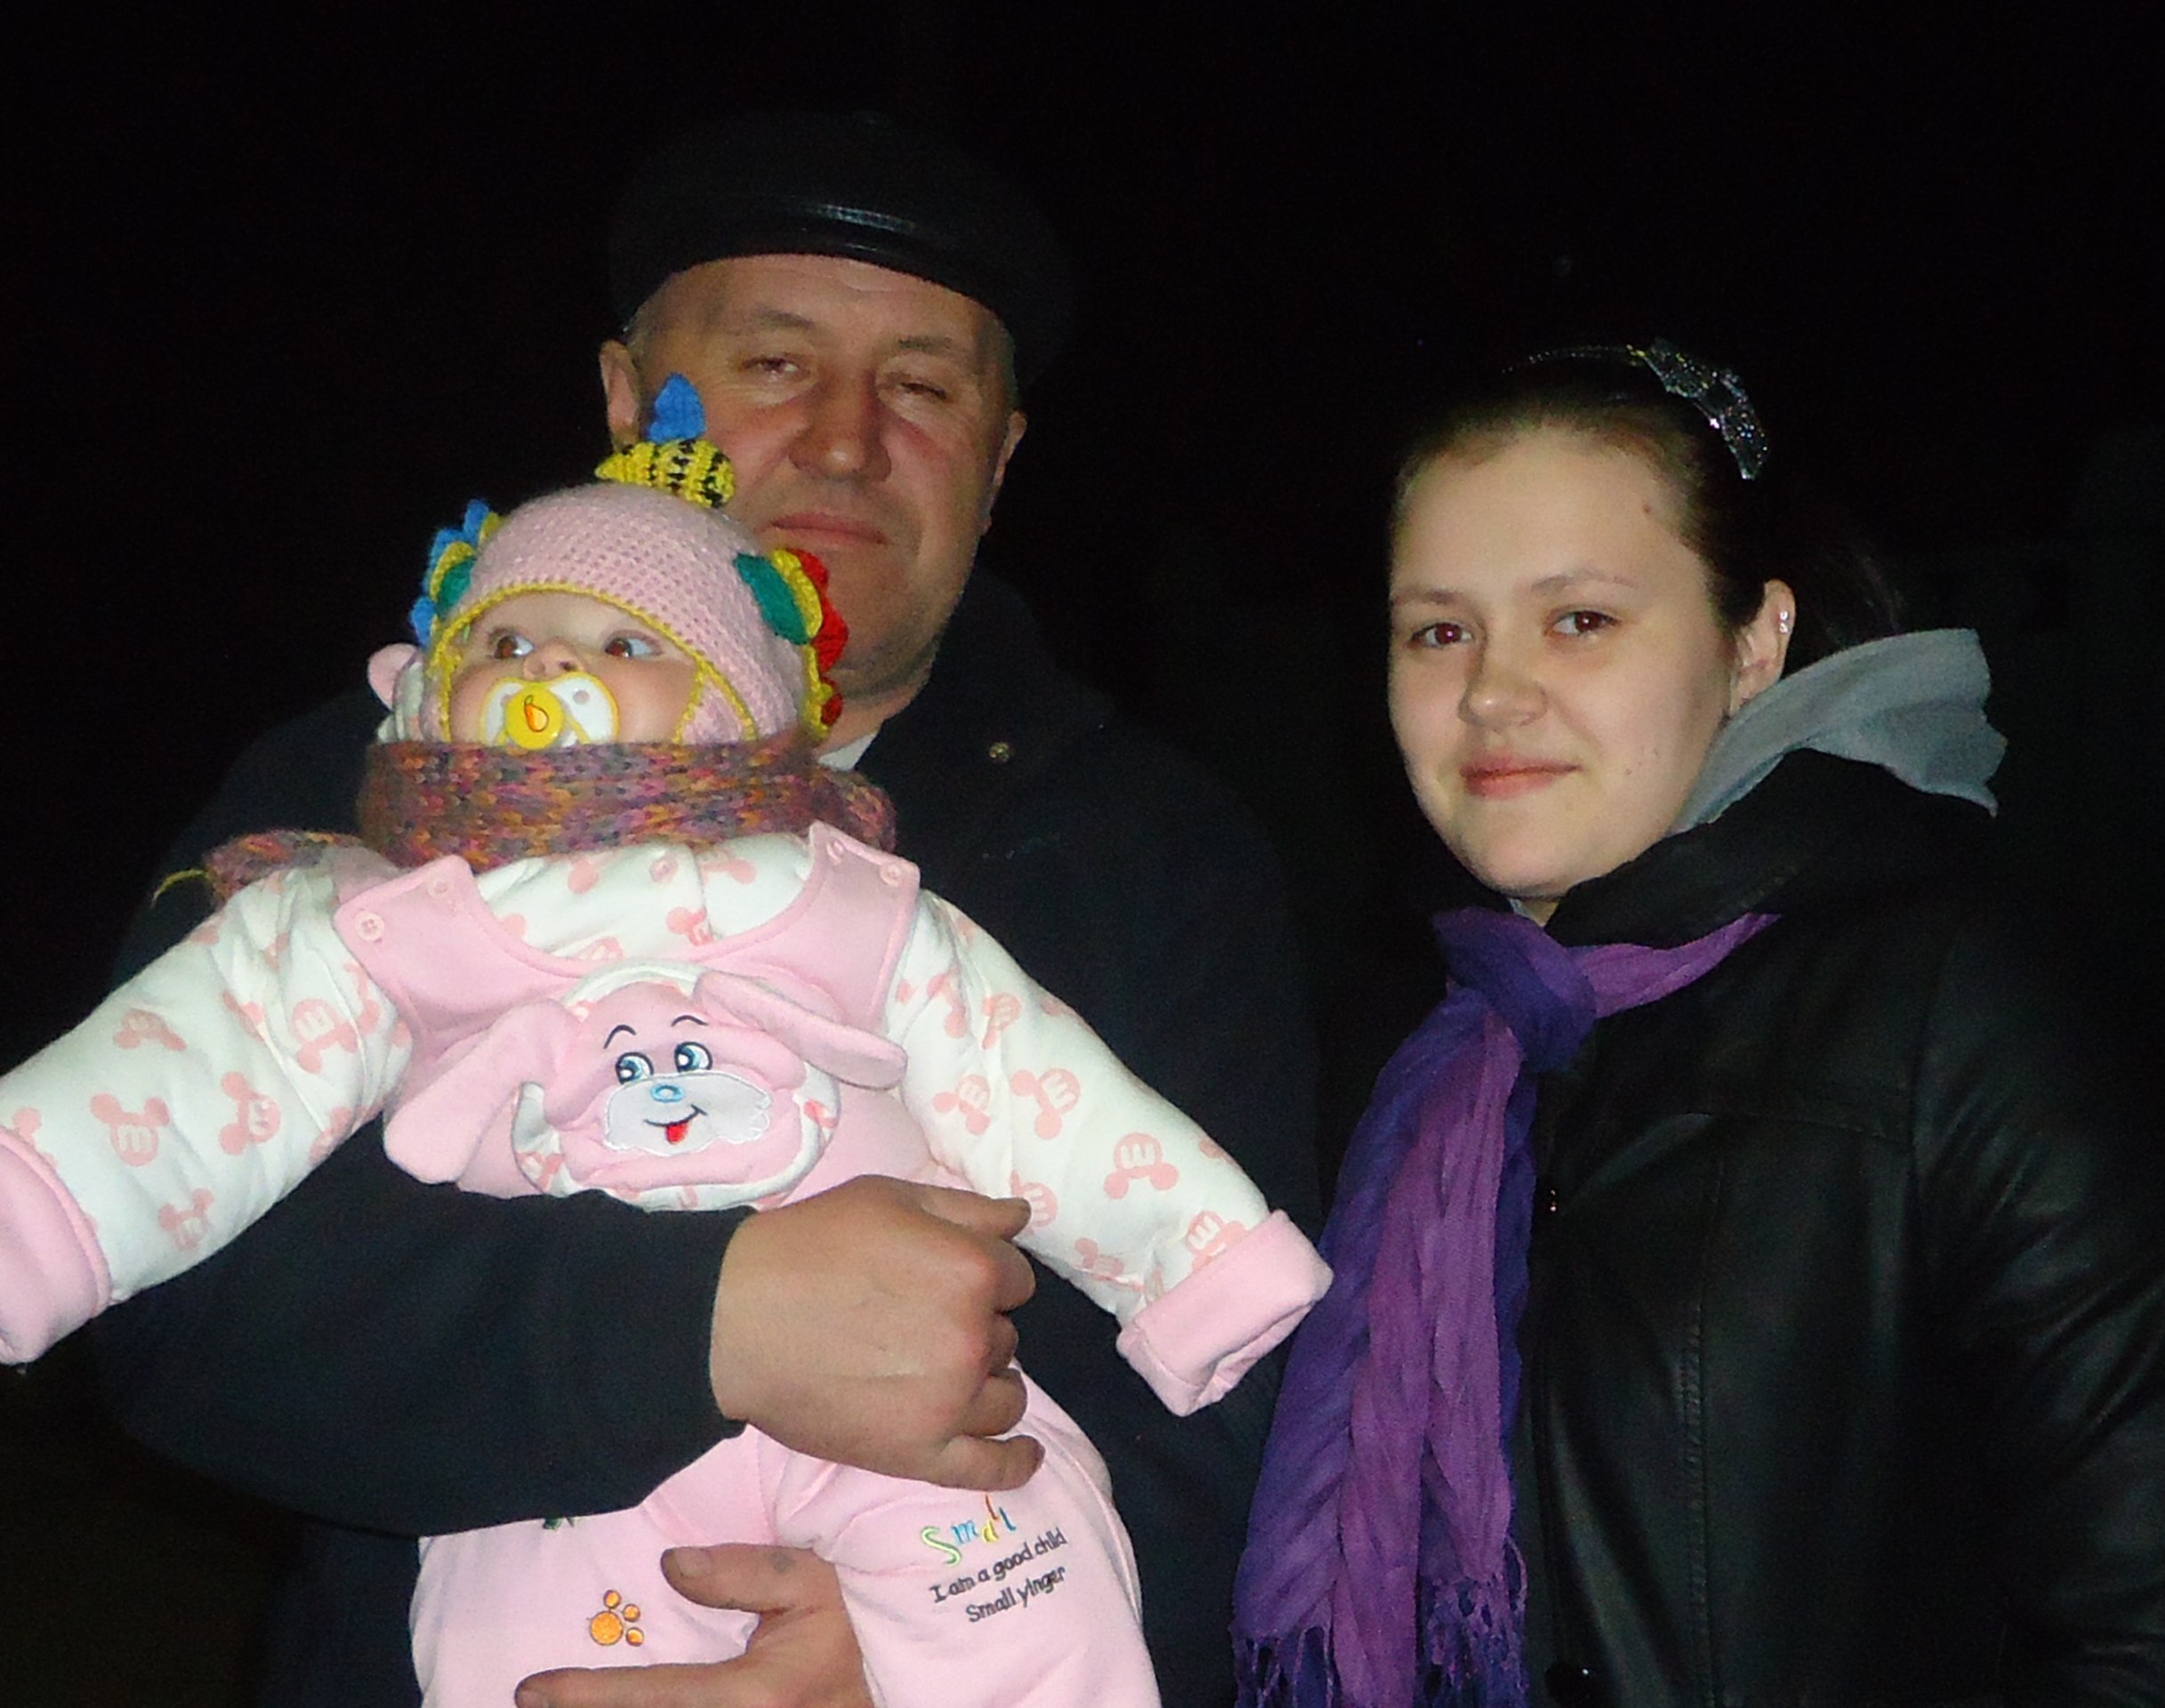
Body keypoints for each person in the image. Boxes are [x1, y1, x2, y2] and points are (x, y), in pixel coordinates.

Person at [90, 112, 1319, 1708]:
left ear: (1002, 459)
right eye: (775, 364)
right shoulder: (358, 790)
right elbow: (176, 1316)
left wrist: (919, 1664)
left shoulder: (1158, 854)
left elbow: (1256, 1410)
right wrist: (703, 1323)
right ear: (625, 403)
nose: (847, 443)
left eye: (926, 387)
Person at [1232, 341, 2165, 1704]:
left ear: (1754, 642)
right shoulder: (1410, 1051)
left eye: (1579, 619)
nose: (1491, 691)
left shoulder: (1953, 1006)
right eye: (1440, 630)